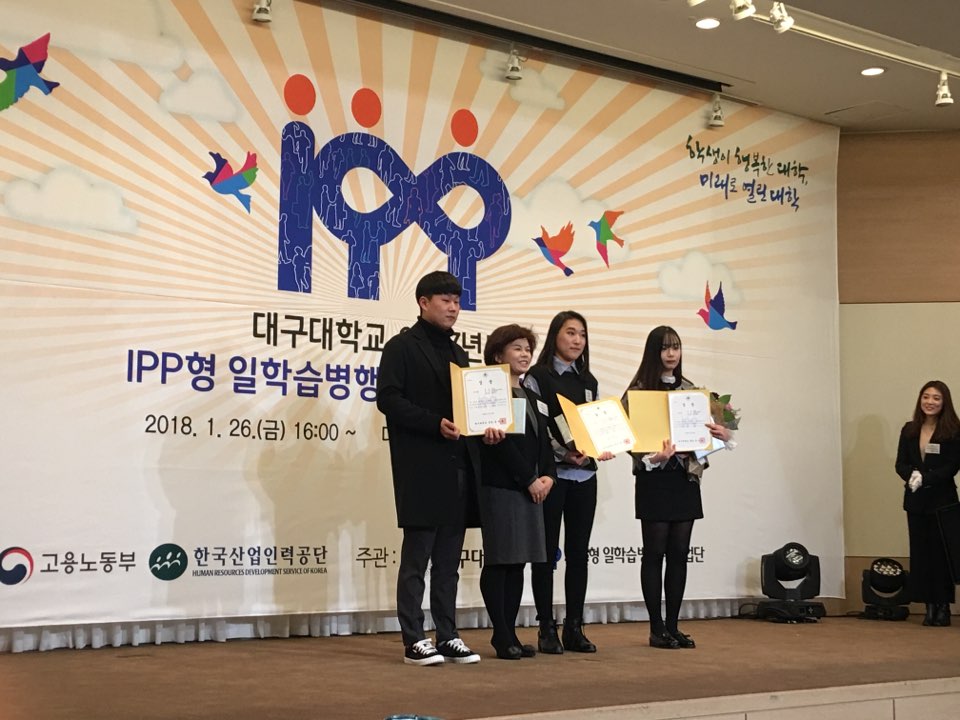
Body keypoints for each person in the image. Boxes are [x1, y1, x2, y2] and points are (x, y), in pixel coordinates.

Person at [377, 270, 488, 665]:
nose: (453, 307)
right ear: (423, 303)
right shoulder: (402, 347)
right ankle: (413, 638)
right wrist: (432, 423)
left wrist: (486, 426)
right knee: (417, 558)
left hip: (458, 467)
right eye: (445, 300)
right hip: (422, 466)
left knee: (448, 562)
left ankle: (448, 634)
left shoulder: (460, 354)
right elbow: (388, 399)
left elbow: (470, 407)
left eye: (457, 301)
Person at [623, 325, 732, 650]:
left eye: (676, 347)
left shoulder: (693, 392)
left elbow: (712, 434)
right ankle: (656, 628)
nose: (671, 354)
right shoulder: (638, 392)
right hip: (654, 479)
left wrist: (721, 436)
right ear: (653, 352)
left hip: (685, 479)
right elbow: (626, 438)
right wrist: (652, 457)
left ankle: (673, 625)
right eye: (664, 347)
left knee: (680, 555)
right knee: (654, 553)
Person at [523, 310, 612, 654]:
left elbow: (595, 424)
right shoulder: (538, 377)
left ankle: (575, 627)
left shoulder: (588, 381)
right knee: (545, 554)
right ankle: (546, 627)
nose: (577, 340)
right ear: (555, 336)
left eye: (582, 335)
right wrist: (563, 453)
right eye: (570, 333)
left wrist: (600, 446)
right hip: (552, 477)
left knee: (578, 554)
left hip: (584, 476)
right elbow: (535, 426)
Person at [477, 324, 556, 659]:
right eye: (517, 348)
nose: (525, 354)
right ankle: (501, 634)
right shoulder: (488, 395)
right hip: (503, 486)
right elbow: (501, 446)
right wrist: (528, 479)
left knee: (519, 562)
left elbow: (543, 444)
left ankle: (510, 632)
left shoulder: (533, 397)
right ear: (498, 355)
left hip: (532, 489)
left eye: (527, 349)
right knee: (501, 561)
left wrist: (549, 476)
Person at [894, 380, 960, 627]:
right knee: (921, 554)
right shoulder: (910, 429)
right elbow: (900, 462)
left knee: (941, 555)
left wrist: (926, 478)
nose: (930, 402)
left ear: (944, 403)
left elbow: (952, 466)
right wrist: (911, 475)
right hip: (916, 501)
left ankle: (943, 606)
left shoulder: (953, 430)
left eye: (936, 398)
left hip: (942, 502)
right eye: (926, 397)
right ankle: (928, 605)